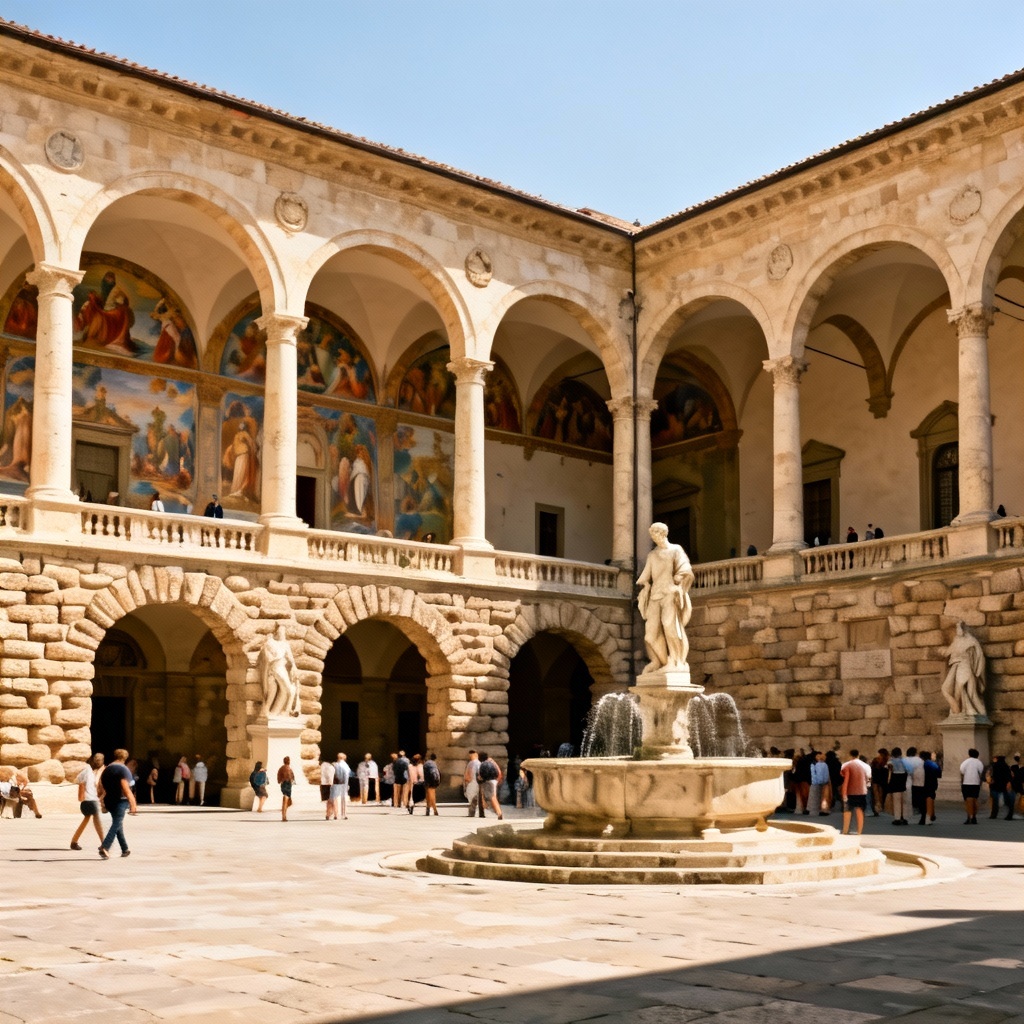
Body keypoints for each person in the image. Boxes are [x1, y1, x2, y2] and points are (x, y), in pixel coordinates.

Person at [636, 522, 694, 673]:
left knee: (670, 626)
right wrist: (645, 585)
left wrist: (678, 580)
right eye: (652, 534)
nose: (653, 537)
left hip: (670, 593)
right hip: (655, 595)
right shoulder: (652, 555)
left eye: (655, 533)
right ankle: (659, 662)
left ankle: (676, 661)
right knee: (650, 634)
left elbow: (686, 569)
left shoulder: (675, 550)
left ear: (663, 533)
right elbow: (645, 576)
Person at [940, 621, 986, 716]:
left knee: (960, 691)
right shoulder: (960, 640)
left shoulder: (968, 641)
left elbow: (978, 657)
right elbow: (949, 651)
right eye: (957, 628)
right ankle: (959, 712)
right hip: (961, 668)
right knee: (958, 692)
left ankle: (962, 712)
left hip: (964, 667)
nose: (958, 630)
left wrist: (945, 651)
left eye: (959, 627)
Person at [98, 748, 137, 859]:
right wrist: (133, 803)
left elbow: (100, 786)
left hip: (109, 800)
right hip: (120, 800)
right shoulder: (123, 770)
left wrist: (101, 800)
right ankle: (105, 846)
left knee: (117, 823)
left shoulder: (106, 769)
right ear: (125, 758)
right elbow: (125, 787)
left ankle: (125, 849)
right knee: (116, 824)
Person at [258, 624, 300, 718]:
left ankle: (276, 712)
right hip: (275, 667)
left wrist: (294, 667)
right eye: (280, 631)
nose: (282, 634)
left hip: (280, 666)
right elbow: (268, 657)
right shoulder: (270, 642)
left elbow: (290, 658)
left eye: (283, 632)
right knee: (284, 689)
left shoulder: (285, 644)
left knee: (284, 690)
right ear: (276, 632)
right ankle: (281, 711)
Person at [70, 753, 105, 849]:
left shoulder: (87, 771)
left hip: (87, 800)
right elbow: (82, 784)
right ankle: (104, 844)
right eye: (96, 760)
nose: (98, 762)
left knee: (86, 820)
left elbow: (77, 780)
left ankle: (74, 841)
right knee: (97, 821)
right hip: (90, 800)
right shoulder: (88, 771)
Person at [840, 749, 872, 835]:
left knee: (847, 810)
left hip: (849, 790)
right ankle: (859, 831)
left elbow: (843, 776)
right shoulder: (866, 766)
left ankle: (845, 830)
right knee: (859, 810)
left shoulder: (845, 765)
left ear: (850, 755)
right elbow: (869, 778)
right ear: (858, 755)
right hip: (862, 790)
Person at [960, 747, 986, 824]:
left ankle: (969, 816)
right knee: (974, 800)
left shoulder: (965, 762)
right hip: (975, 783)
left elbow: (961, 771)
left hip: (966, 783)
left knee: (968, 800)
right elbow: (981, 771)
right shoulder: (979, 762)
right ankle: (973, 816)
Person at [476, 752, 504, 819]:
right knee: (492, 797)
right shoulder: (492, 763)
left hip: (487, 782)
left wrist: (480, 779)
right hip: (494, 781)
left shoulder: (483, 764)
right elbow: (498, 772)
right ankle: (497, 811)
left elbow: (481, 775)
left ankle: (498, 812)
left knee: (492, 797)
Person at [987, 754, 1014, 820]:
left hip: (995, 785)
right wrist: (1009, 783)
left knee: (995, 801)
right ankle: (1010, 814)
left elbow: (991, 775)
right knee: (1007, 800)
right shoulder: (1006, 766)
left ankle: (994, 815)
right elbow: (1009, 776)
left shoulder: (994, 766)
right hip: (1004, 785)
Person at [887, 746, 909, 825]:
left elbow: (889, 768)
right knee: (904, 801)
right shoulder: (905, 761)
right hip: (904, 780)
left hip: (895, 781)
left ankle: (897, 818)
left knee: (896, 801)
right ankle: (904, 817)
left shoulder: (891, 761)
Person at [903, 746, 924, 824]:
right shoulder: (919, 760)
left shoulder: (904, 760)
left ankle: (904, 817)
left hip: (905, 781)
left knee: (905, 801)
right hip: (917, 782)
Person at [921, 751, 941, 825]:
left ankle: (928, 816)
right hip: (933, 782)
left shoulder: (922, 764)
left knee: (927, 797)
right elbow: (939, 773)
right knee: (931, 797)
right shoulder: (933, 764)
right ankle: (931, 814)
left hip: (924, 782)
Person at [808, 751, 830, 815]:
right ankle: (823, 810)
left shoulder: (816, 764)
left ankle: (813, 811)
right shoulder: (825, 765)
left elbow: (816, 774)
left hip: (816, 782)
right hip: (823, 782)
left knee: (815, 797)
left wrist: (816, 781)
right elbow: (826, 774)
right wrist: (825, 781)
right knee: (822, 796)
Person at [870, 748, 890, 817]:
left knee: (876, 794)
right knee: (880, 794)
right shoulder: (887, 761)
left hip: (877, 779)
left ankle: (876, 808)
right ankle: (879, 807)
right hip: (882, 780)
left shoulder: (876, 760)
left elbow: (872, 769)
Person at [332, 752, 350, 820]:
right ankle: (344, 814)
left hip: (336, 783)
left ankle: (336, 814)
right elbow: (348, 775)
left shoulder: (335, 765)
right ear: (344, 758)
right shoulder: (346, 766)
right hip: (344, 783)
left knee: (337, 798)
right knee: (344, 798)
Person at [464, 750, 481, 817]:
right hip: (478, 784)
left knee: (471, 800)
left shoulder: (471, 763)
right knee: (476, 799)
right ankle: (476, 813)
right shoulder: (480, 763)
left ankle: (473, 814)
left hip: (471, 784)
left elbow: (468, 776)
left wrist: (466, 782)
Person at [277, 756, 295, 821]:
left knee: (288, 801)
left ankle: (283, 811)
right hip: (287, 784)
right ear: (288, 761)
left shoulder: (281, 768)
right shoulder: (288, 768)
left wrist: (280, 781)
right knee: (286, 800)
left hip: (284, 784)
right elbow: (290, 776)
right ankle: (284, 815)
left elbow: (279, 777)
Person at [423, 752, 441, 816]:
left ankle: (431, 809)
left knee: (429, 795)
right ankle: (432, 809)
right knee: (432, 795)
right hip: (434, 781)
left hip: (428, 781)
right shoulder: (434, 763)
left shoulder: (426, 764)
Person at [319, 754, 336, 819]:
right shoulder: (330, 766)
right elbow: (330, 776)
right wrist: (332, 784)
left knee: (327, 800)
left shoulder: (322, 765)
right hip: (329, 784)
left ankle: (328, 813)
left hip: (323, 784)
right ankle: (330, 813)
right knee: (331, 800)